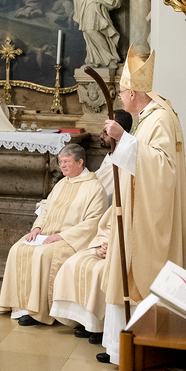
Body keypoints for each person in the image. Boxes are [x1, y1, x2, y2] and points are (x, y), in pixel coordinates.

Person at [97, 45, 186, 364]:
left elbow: (164, 168)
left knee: (141, 274)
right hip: (135, 208)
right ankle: (120, 348)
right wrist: (122, 142)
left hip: (148, 216)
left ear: (133, 93)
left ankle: (142, 348)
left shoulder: (160, 118)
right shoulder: (147, 117)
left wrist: (124, 139)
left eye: (122, 93)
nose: (121, 98)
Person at [0, 143, 107, 326]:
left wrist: (63, 236)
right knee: (17, 249)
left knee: (42, 254)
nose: (62, 166)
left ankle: (38, 311)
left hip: (71, 240)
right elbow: (46, 209)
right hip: (46, 234)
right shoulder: (61, 183)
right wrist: (37, 228)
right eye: (60, 162)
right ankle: (19, 307)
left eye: (66, 162)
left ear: (80, 162)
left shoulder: (94, 187)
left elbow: (94, 221)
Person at [48, 110, 133, 341]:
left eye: (106, 131)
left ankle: (99, 327)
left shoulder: (125, 164)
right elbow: (107, 217)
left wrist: (111, 245)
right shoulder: (111, 156)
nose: (101, 135)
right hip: (108, 228)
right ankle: (86, 322)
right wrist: (103, 241)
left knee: (97, 271)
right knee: (74, 264)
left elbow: (102, 195)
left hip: (116, 234)